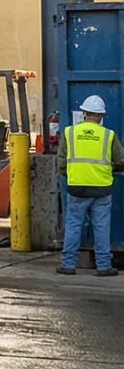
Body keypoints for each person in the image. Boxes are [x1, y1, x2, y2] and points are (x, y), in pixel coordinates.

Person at [59, 95, 121, 277]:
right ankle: (103, 267)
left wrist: (71, 175)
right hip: (101, 189)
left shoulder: (69, 132)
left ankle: (68, 265)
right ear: (101, 116)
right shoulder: (108, 135)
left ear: (84, 113)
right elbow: (121, 160)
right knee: (101, 227)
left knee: (73, 225)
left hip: (77, 188)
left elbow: (61, 163)